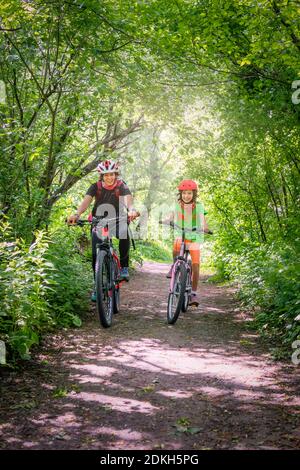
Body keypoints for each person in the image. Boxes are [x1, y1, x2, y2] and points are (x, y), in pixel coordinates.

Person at [67, 159, 138, 301]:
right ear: (101, 176)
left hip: (117, 219)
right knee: (96, 253)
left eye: (111, 174)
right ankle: (97, 286)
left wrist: (131, 210)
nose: (109, 177)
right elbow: (86, 202)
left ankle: (124, 267)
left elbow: (128, 201)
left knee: (124, 233)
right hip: (98, 221)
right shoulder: (96, 187)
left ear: (115, 174)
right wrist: (77, 214)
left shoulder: (121, 185)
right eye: (106, 175)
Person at [163, 179, 212, 307]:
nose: (186, 196)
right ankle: (174, 265)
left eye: (189, 193)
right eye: (184, 193)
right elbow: (171, 216)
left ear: (194, 194)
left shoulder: (199, 206)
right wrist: (166, 220)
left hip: (195, 236)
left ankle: (193, 293)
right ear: (181, 194)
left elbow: (203, 220)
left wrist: (205, 227)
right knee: (176, 246)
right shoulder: (177, 205)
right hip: (181, 234)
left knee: (196, 264)